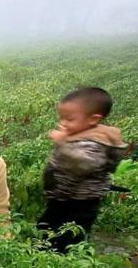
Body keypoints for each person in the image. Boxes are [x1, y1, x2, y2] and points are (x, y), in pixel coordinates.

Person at [37, 87, 127, 252]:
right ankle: (45, 252)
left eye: (69, 119)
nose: (63, 123)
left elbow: (83, 163)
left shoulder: (98, 142)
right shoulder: (83, 134)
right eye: (62, 118)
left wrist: (62, 143)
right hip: (63, 198)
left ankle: (61, 262)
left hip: (78, 203)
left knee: (69, 237)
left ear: (93, 119)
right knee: (46, 227)